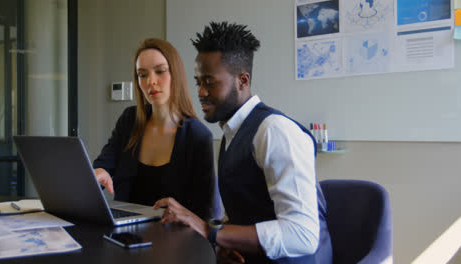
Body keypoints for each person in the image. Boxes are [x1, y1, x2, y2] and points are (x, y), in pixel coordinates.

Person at [154, 22, 333, 263]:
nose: (201, 92)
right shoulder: (231, 133)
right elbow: (248, 213)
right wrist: (225, 243)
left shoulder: (275, 131)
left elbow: (302, 235)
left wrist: (210, 231)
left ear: (243, 80)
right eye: (198, 82)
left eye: (210, 82)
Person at [93, 38, 219, 220]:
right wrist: (98, 173)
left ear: (175, 75)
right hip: (125, 235)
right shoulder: (129, 120)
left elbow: (209, 216)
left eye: (160, 71)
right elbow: (102, 167)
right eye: (142, 75)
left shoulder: (198, 136)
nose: (151, 81)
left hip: (174, 240)